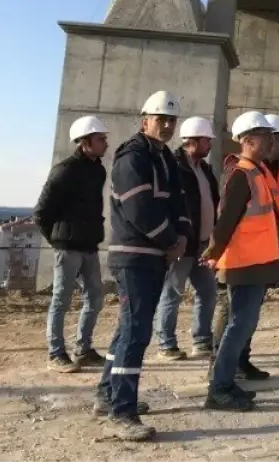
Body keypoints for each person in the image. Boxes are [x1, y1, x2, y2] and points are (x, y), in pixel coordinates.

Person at [94, 91, 189, 443]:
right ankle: (122, 411)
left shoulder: (164, 158)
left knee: (127, 330)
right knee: (136, 333)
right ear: (144, 120)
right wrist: (170, 241)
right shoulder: (133, 158)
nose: (166, 125)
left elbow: (178, 203)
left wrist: (182, 237)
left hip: (153, 256)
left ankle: (108, 395)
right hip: (134, 257)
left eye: (171, 120)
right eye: (160, 119)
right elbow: (140, 211)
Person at [200, 111, 279, 411]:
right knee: (238, 325)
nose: (271, 141)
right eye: (264, 136)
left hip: (256, 263)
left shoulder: (256, 171)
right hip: (244, 264)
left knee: (242, 325)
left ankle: (225, 383)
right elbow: (225, 221)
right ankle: (219, 388)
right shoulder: (241, 173)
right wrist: (214, 252)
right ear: (248, 140)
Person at [34, 115, 109, 373]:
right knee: (61, 300)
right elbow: (42, 211)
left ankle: (84, 349)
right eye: (101, 139)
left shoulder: (98, 170)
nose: (105, 143)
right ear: (85, 142)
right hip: (67, 247)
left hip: (89, 246)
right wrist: (56, 240)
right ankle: (56, 353)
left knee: (95, 297)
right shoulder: (65, 170)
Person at [154, 116, 220, 361]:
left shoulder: (204, 169)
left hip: (202, 245)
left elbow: (212, 201)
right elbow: (166, 204)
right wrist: (171, 238)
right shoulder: (173, 166)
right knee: (172, 294)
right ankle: (166, 343)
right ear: (193, 140)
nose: (209, 144)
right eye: (206, 140)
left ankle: (202, 340)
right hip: (181, 244)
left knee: (207, 292)